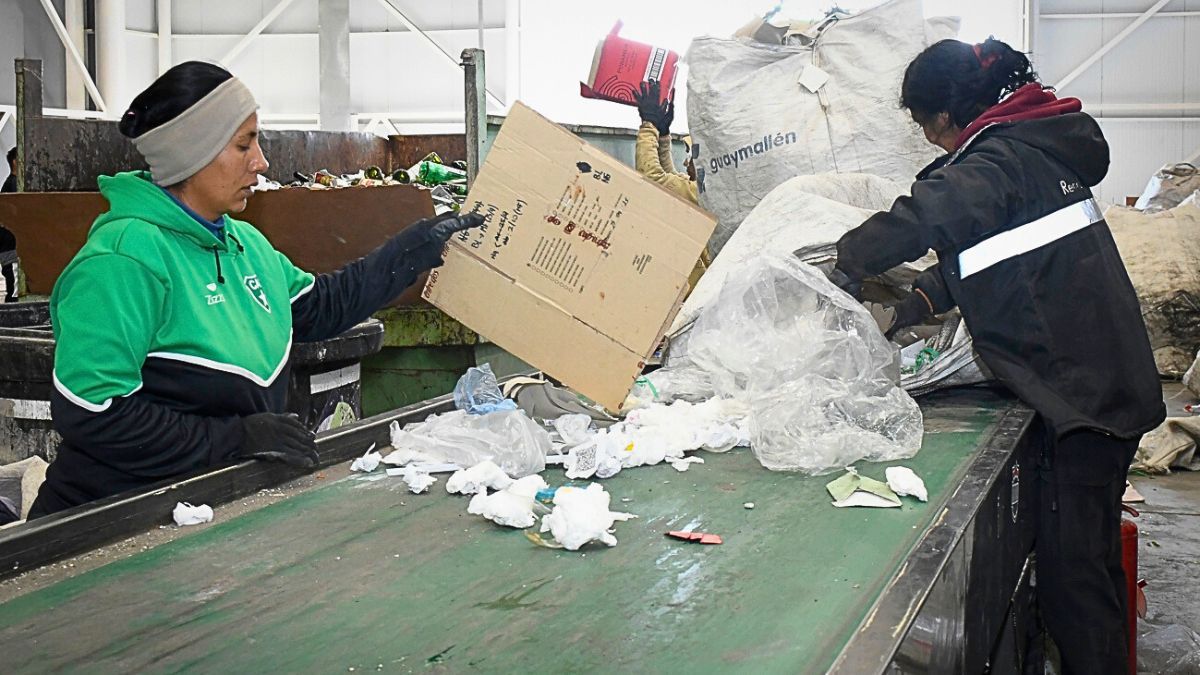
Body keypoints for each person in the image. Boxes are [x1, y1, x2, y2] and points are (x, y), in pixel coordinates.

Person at [828, 38, 1165, 674]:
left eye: (924, 124)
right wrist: (913, 305)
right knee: (1082, 568)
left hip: (1084, 399)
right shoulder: (1028, 151)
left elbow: (932, 214)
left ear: (947, 118)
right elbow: (990, 250)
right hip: (1099, 385)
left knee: (1077, 589)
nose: (927, 139)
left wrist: (846, 261)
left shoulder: (997, 162)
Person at [29, 62, 482, 518]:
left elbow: (318, 308)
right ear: (192, 152)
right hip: (104, 524)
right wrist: (234, 439)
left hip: (197, 512)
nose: (261, 162)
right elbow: (93, 412)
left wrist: (409, 253)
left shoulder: (244, 244)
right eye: (244, 144)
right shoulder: (124, 260)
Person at [631, 79, 709, 291]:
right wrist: (663, 135)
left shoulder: (701, 193)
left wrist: (648, 126)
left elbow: (653, 179)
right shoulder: (698, 189)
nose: (685, 162)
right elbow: (669, 177)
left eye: (689, 157)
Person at [1, 147, 17, 302]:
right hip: (9, 243)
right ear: (15, 162)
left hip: (9, 244)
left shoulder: (10, 185)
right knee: (14, 289)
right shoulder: (12, 186)